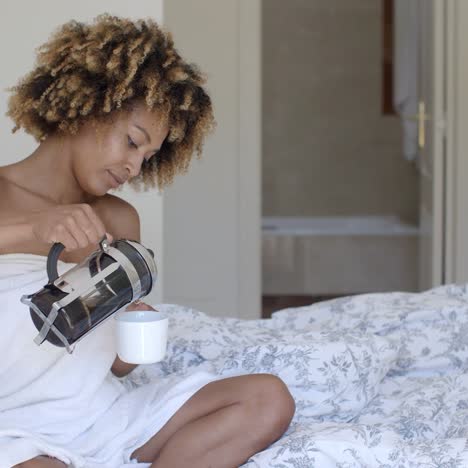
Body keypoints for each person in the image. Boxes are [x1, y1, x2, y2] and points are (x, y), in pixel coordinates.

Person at [0, 14, 295, 468]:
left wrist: (132, 336)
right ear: (89, 109)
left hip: (103, 415)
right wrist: (35, 229)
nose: (134, 168)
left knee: (266, 399)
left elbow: (117, 368)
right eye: (132, 142)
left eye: (149, 156)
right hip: (14, 424)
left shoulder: (119, 218)